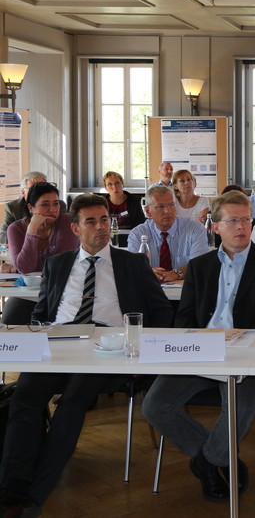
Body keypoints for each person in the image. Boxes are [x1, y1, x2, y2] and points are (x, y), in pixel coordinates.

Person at [0, 194, 173, 516]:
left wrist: (142, 352)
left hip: (106, 349)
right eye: (91, 221)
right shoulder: (58, 264)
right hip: (58, 345)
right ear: (76, 229)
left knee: (72, 404)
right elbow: (41, 313)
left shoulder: (132, 263)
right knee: (24, 399)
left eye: (105, 220)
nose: (101, 227)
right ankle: (11, 487)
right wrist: (36, 338)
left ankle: (32, 499)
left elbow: (162, 312)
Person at [142, 191, 255, 503]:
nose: (241, 227)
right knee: (154, 405)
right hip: (200, 350)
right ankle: (219, 459)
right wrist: (195, 340)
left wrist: (239, 336)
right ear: (215, 227)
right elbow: (184, 316)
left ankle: (208, 463)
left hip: (248, 353)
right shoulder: (199, 266)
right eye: (233, 220)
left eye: (246, 220)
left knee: (241, 406)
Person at [4, 182, 80, 324]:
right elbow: (26, 268)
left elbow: (61, 265)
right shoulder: (16, 229)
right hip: (26, 295)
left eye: (56, 203)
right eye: (45, 204)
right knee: (10, 323)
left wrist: (17, 268)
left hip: (63, 291)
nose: (52, 209)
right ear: (31, 208)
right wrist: (32, 229)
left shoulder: (66, 222)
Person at [127, 186, 208, 282]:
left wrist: (177, 273)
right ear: (148, 211)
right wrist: (148, 271)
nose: (167, 211)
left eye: (171, 205)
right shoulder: (138, 234)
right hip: (149, 289)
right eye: (160, 206)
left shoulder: (195, 229)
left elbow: (199, 265)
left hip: (185, 291)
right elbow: (133, 266)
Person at [0, 171, 66, 244]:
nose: (39, 192)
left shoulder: (59, 205)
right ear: (23, 192)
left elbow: (64, 232)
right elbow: (2, 236)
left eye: (42, 187)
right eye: (33, 188)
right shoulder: (13, 207)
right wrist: (32, 230)